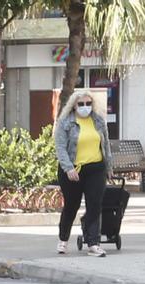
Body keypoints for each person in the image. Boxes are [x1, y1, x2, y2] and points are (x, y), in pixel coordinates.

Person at [54, 90, 114, 257]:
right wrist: (68, 168)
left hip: (95, 169)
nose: (85, 107)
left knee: (94, 205)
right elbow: (60, 148)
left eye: (88, 103)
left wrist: (109, 167)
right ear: (74, 105)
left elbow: (106, 145)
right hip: (73, 170)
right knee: (71, 206)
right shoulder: (66, 123)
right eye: (81, 104)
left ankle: (93, 244)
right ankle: (63, 239)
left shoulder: (98, 121)